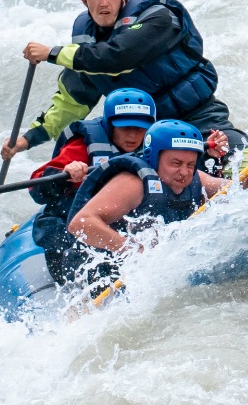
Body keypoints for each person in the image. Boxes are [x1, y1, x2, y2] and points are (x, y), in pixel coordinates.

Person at [0, 0, 248, 174]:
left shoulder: (158, 17)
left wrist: (51, 53)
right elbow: (71, 103)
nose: (104, 3)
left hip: (198, 117)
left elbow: (118, 56)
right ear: (84, 1)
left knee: (233, 155)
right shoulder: (85, 48)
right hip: (141, 135)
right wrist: (26, 140)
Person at [59, 120, 225, 296]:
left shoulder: (197, 179)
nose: (184, 172)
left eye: (190, 165)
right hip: (99, 274)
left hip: (151, 274)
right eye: (176, 164)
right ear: (154, 158)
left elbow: (237, 189)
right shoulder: (132, 184)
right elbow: (80, 223)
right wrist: (134, 252)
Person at [26, 86, 157, 275]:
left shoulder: (154, 144)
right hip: (68, 223)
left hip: (113, 220)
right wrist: (66, 176)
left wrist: (213, 155)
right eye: (125, 127)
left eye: (139, 128)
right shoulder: (82, 147)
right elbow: (36, 187)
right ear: (110, 124)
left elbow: (180, 170)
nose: (133, 135)